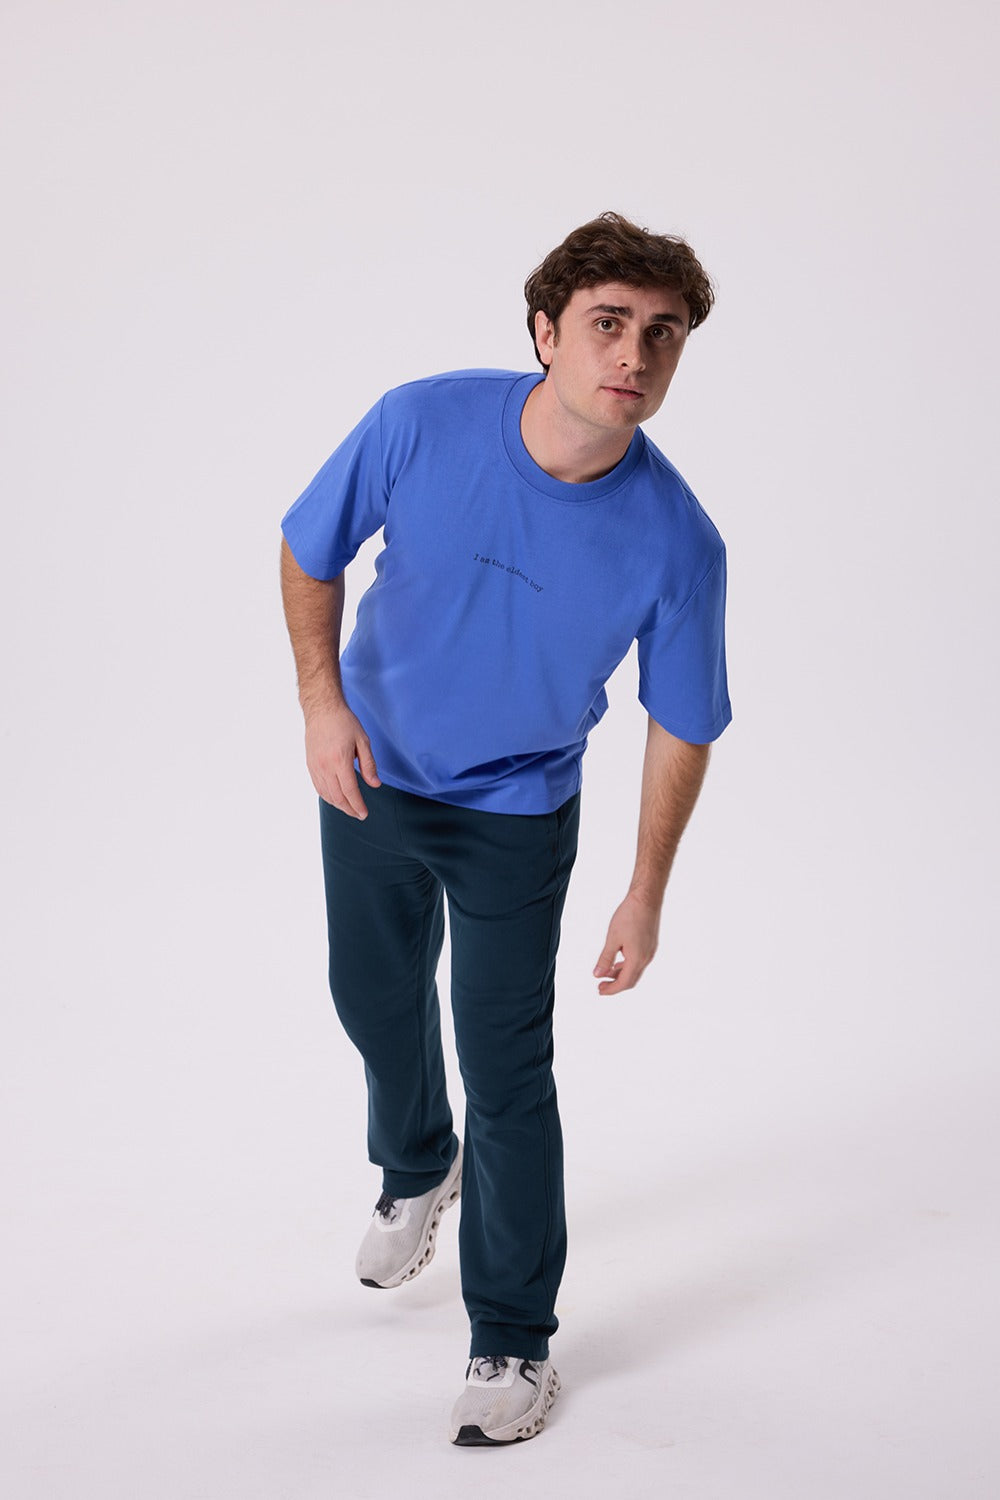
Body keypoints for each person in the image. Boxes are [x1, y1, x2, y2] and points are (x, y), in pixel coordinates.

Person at [279, 211, 731, 1446]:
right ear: (543, 332)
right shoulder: (420, 422)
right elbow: (309, 548)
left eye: (661, 334)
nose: (632, 354)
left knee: (508, 1070)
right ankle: (416, 1164)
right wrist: (321, 705)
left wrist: (644, 891)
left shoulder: (678, 541)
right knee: (371, 999)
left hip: (515, 815)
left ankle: (513, 1340)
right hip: (370, 772)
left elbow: (682, 723)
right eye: (606, 323)